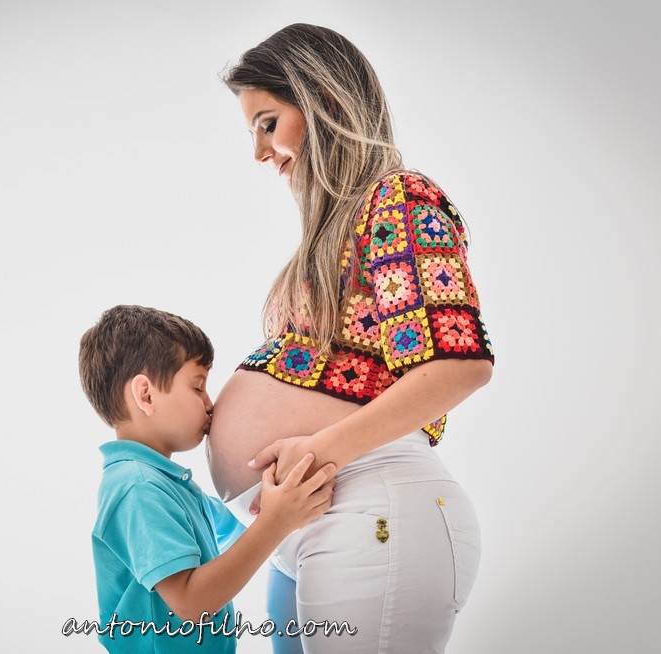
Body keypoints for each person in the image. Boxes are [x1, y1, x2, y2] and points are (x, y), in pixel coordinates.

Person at [205, 24, 495, 653]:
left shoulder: (397, 197)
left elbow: (459, 365)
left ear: (324, 102)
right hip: (306, 520)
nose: (259, 152)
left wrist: (321, 450)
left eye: (267, 123)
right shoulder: (334, 231)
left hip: (373, 503)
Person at [78, 304, 338, 653]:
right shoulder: (138, 488)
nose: (210, 403)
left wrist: (278, 500)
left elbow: (235, 529)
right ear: (146, 395)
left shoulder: (165, 484)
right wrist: (276, 522)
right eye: (198, 387)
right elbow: (190, 604)